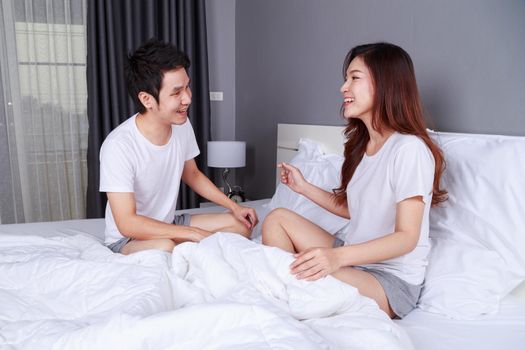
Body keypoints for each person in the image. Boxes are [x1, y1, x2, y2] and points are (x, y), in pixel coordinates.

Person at [261, 42, 446, 319]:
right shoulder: (363, 147)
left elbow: (407, 238)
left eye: (354, 78)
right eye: (346, 78)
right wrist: (303, 187)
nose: (343, 87)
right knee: (277, 218)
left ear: (385, 84)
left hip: (388, 279)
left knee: (293, 284)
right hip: (353, 257)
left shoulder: (409, 149)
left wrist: (336, 259)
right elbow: (354, 210)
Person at [100, 39, 258, 255]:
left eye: (187, 87)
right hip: (129, 237)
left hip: (170, 223)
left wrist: (235, 207)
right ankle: (190, 245)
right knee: (165, 247)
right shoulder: (118, 146)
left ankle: (189, 245)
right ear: (147, 99)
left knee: (242, 227)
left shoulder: (180, 123)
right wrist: (192, 233)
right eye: (176, 93)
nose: (188, 98)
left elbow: (192, 174)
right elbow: (127, 222)